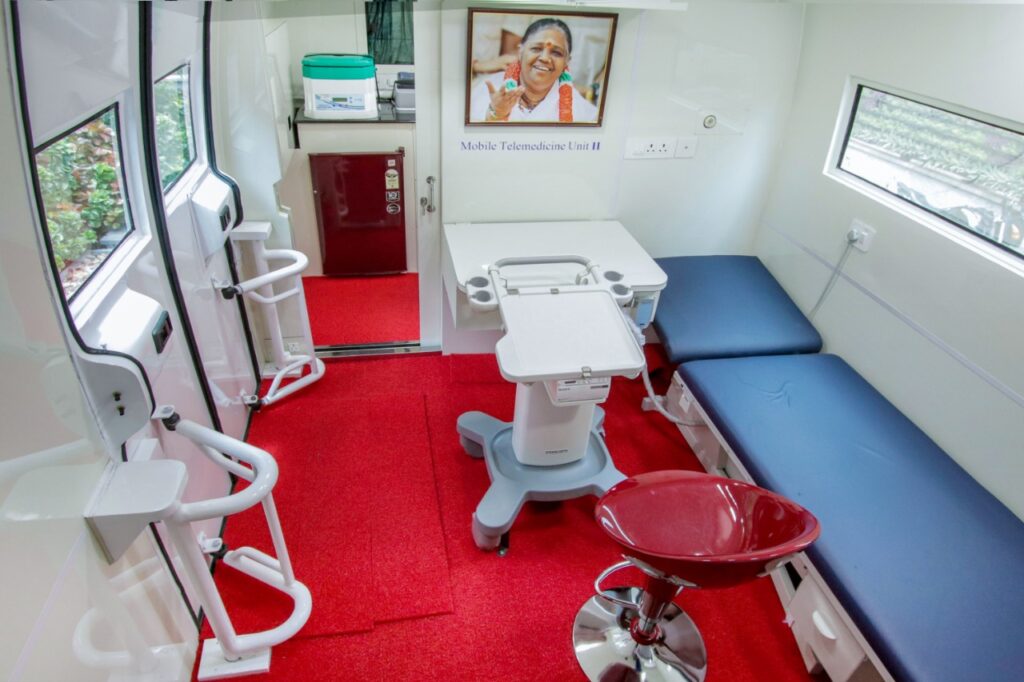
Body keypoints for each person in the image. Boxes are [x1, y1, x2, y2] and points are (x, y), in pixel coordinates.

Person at [468, 18, 599, 124]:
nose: (545, 58)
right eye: (536, 48)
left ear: (567, 61)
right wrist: (496, 113)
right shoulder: (488, 89)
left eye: (556, 52)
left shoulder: (584, 112)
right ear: (520, 52)